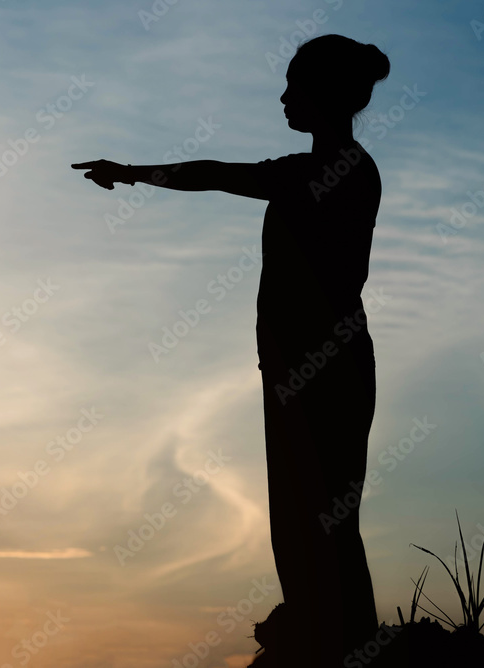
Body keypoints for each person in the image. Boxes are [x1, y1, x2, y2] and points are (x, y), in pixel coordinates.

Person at [72, 34, 390, 667]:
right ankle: (334, 638)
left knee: (315, 521)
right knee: (312, 520)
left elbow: (216, 176)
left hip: (320, 371)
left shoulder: (333, 170)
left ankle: (340, 645)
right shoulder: (327, 167)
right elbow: (221, 177)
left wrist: (134, 173)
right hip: (308, 369)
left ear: (321, 94)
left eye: (294, 85)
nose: (282, 96)